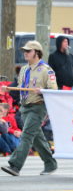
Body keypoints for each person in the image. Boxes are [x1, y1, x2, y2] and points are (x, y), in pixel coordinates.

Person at [1, 40, 58, 176]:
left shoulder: (46, 70)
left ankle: (15, 165)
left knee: (26, 135)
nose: (25, 53)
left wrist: (43, 90)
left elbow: (54, 89)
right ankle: (50, 164)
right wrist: (7, 88)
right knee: (37, 138)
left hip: (38, 107)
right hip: (25, 107)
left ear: (37, 53)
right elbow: (18, 87)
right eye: (24, 51)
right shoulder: (24, 69)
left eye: (28, 51)